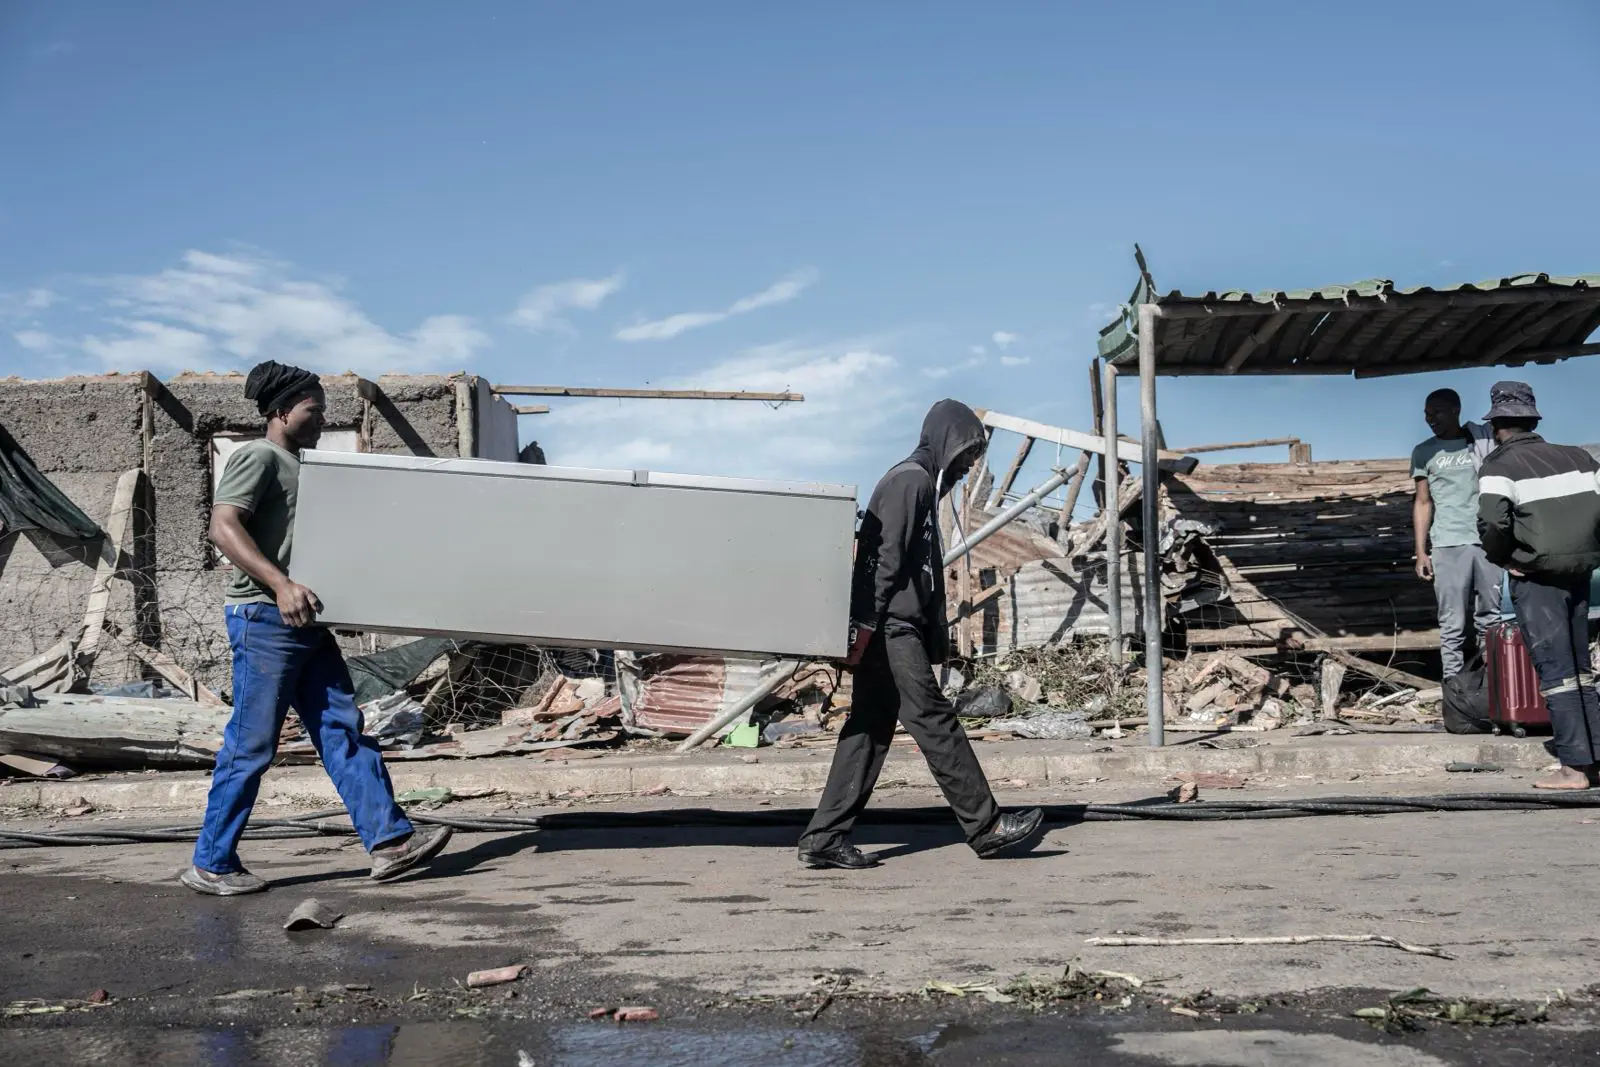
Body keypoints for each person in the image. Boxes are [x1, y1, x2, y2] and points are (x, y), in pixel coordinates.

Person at [182, 361, 453, 895]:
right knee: (252, 744)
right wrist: (280, 585)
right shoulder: (256, 456)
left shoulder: (301, 465)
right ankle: (211, 863)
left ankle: (390, 843)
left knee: (341, 729)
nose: (321, 417)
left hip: (303, 622)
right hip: (263, 618)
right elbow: (223, 526)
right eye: (313, 407)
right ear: (280, 409)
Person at [798, 399, 1045, 869]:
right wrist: (864, 630)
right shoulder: (909, 481)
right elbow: (882, 562)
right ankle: (986, 826)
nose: (970, 463)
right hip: (891, 627)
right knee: (933, 718)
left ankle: (824, 838)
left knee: (869, 729)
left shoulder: (919, 485)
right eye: (967, 452)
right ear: (945, 441)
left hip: (893, 625)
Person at [1476, 381, 1600, 791]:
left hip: (1535, 576)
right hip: (1580, 572)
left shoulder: (1498, 467)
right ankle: (1594, 758)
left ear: (1497, 426)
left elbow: (1493, 523)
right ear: (1532, 420)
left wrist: (1505, 558)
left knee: (1557, 673)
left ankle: (1573, 768)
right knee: (1581, 670)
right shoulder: (1579, 458)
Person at [1411, 387, 1500, 679]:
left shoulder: (1483, 443)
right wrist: (1422, 551)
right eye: (1426, 414)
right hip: (1447, 543)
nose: (1430, 419)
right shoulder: (1424, 452)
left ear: (1455, 410)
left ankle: (1497, 684)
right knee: (1453, 623)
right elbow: (1423, 502)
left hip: (1487, 542)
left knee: (1492, 618)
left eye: (1436, 412)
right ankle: (1454, 688)